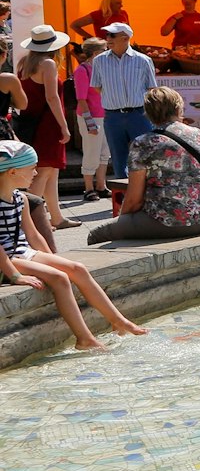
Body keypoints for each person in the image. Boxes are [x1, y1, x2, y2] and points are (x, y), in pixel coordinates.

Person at [0, 140, 147, 349]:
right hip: (6, 260)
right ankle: (85, 339)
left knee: (77, 269)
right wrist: (16, 276)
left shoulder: (20, 199)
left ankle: (118, 321)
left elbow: (33, 235)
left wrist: (53, 259)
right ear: (13, 172)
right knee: (59, 278)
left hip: (21, 253)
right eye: (32, 168)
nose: (36, 173)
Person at [88, 88, 200, 244]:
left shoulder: (143, 142)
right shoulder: (196, 133)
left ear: (148, 113)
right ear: (178, 108)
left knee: (96, 235)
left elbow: (134, 199)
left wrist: (122, 221)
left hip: (168, 221)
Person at [15, 26, 75, 228]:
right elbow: (52, 97)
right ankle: (31, 222)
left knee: (50, 172)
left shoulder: (24, 62)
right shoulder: (48, 64)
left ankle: (56, 217)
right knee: (44, 172)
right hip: (48, 124)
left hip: (31, 121)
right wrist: (64, 125)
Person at [91, 22, 157, 180]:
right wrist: (115, 98)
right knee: (118, 158)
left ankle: (147, 190)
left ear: (125, 38)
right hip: (113, 116)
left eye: (112, 35)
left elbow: (151, 88)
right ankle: (122, 192)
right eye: (107, 35)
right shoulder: (99, 61)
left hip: (139, 115)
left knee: (145, 155)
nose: (108, 38)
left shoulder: (143, 60)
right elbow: (96, 86)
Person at [71, 37, 110, 201]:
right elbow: (81, 99)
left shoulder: (104, 68)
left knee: (105, 152)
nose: (108, 53)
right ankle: (88, 188)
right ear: (95, 53)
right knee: (91, 152)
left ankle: (101, 186)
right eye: (104, 50)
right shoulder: (82, 70)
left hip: (106, 115)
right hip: (92, 116)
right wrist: (89, 122)